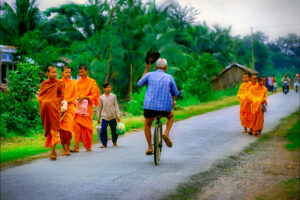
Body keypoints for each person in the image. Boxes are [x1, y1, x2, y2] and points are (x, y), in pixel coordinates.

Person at [137, 58, 178, 155]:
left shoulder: (149, 75)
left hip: (149, 107)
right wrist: (172, 103)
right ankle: (166, 133)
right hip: (164, 109)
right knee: (171, 116)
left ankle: (150, 148)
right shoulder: (169, 78)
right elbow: (174, 92)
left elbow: (139, 84)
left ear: (155, 67)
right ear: (166, 67)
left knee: (147, 123)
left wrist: (146, 69)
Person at [70, 65, 101, 152]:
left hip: (87, 109)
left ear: (86, 71)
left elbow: (94, 96)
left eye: (82, 72)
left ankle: (88, 146)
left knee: (87, 128)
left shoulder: (92, 82)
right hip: (78, 108)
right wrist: (77, 99)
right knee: (76, 126)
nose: (81, 74)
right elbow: (74, 94)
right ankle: (76, 147)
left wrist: (85, 97)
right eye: (79, 72)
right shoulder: (77, 82)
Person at [38, 66, 65, 160]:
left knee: (54, 130)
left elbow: (62, 96)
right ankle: (52, 151)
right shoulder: (44, 83)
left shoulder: (60, 83)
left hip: (54, 109)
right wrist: (46, 101)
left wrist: (53, 101)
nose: (54, 74)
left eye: (55, 72)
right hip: (45, 109)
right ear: (47, 73)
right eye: (52, 72)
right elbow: (40, 97)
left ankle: (53, 152)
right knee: (49, 130)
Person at [59, 66, 77, 156]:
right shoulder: (58, 83)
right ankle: (65, 149)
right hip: (60, 108)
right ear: (62, 73)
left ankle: (67, 148)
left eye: (69, 72)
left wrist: (68, 101)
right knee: (61, 130)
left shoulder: (73, 83)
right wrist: (62, 102)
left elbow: (75, 96)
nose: (68, 74)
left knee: (68, 129)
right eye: (66, 72)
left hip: (70, 108)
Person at [97, 82, 120, 148]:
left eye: (109, 87)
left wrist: (118, 116)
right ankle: (104, 143)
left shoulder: (113, 96)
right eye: (107, 87)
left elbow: (116, 106)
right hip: (104, 116)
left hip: (112, 116)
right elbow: (100, 107)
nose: (108, 89)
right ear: (103, 88)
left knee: (114, 130)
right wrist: (98, 117)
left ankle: (114, 141)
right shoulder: (101, 97)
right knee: (103, 129)